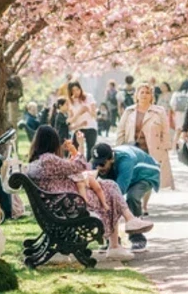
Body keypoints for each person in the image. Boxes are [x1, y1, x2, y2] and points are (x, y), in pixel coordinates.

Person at [26, 126, 150, 261]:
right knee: (110, 189)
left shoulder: (37, 161)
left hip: (60, 203)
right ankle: (119, 238)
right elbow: (80, 166)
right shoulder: (48, 160)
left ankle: (127, 224)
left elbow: (69, 167)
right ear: (52, 142)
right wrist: (77, 148)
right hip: (70, 203)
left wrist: (78, 149)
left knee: (109, 186)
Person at [117, 85, 175, 190]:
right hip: (133, 149)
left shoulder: (159, 111)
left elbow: (165, 131)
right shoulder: (129, 111)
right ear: (137, 95)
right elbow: (121, 131)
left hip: (152, 149)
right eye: (142, 92)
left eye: (147, 93)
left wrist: (165, 147)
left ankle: (143, 202)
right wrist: (119, 148)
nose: (144, 95)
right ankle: (137, 199)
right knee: (132, 176)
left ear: (151, 96)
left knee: (147, 177)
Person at [93, 142, 162, 220]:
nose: (98, 167)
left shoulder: (126, 162)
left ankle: (136, 225)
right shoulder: (102, 160)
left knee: (132, 196)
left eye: (102, 164)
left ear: (111, 159)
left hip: (146, 173)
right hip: (131, 172)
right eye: (96, 163)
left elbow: (119, 191)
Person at [67, 82, 99, 162]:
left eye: (77, 89)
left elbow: (94, 115)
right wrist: (79, 113)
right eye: (73, 90)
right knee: (74, 150)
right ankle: (74, 168)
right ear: (70, 92)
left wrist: (87, 110)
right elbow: (70, 121)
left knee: (91, 150)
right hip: (79, 128)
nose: (76, 92)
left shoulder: (89, 97)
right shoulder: (70, 102)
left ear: (81, 89)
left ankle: (89, 170)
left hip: (91, 127)